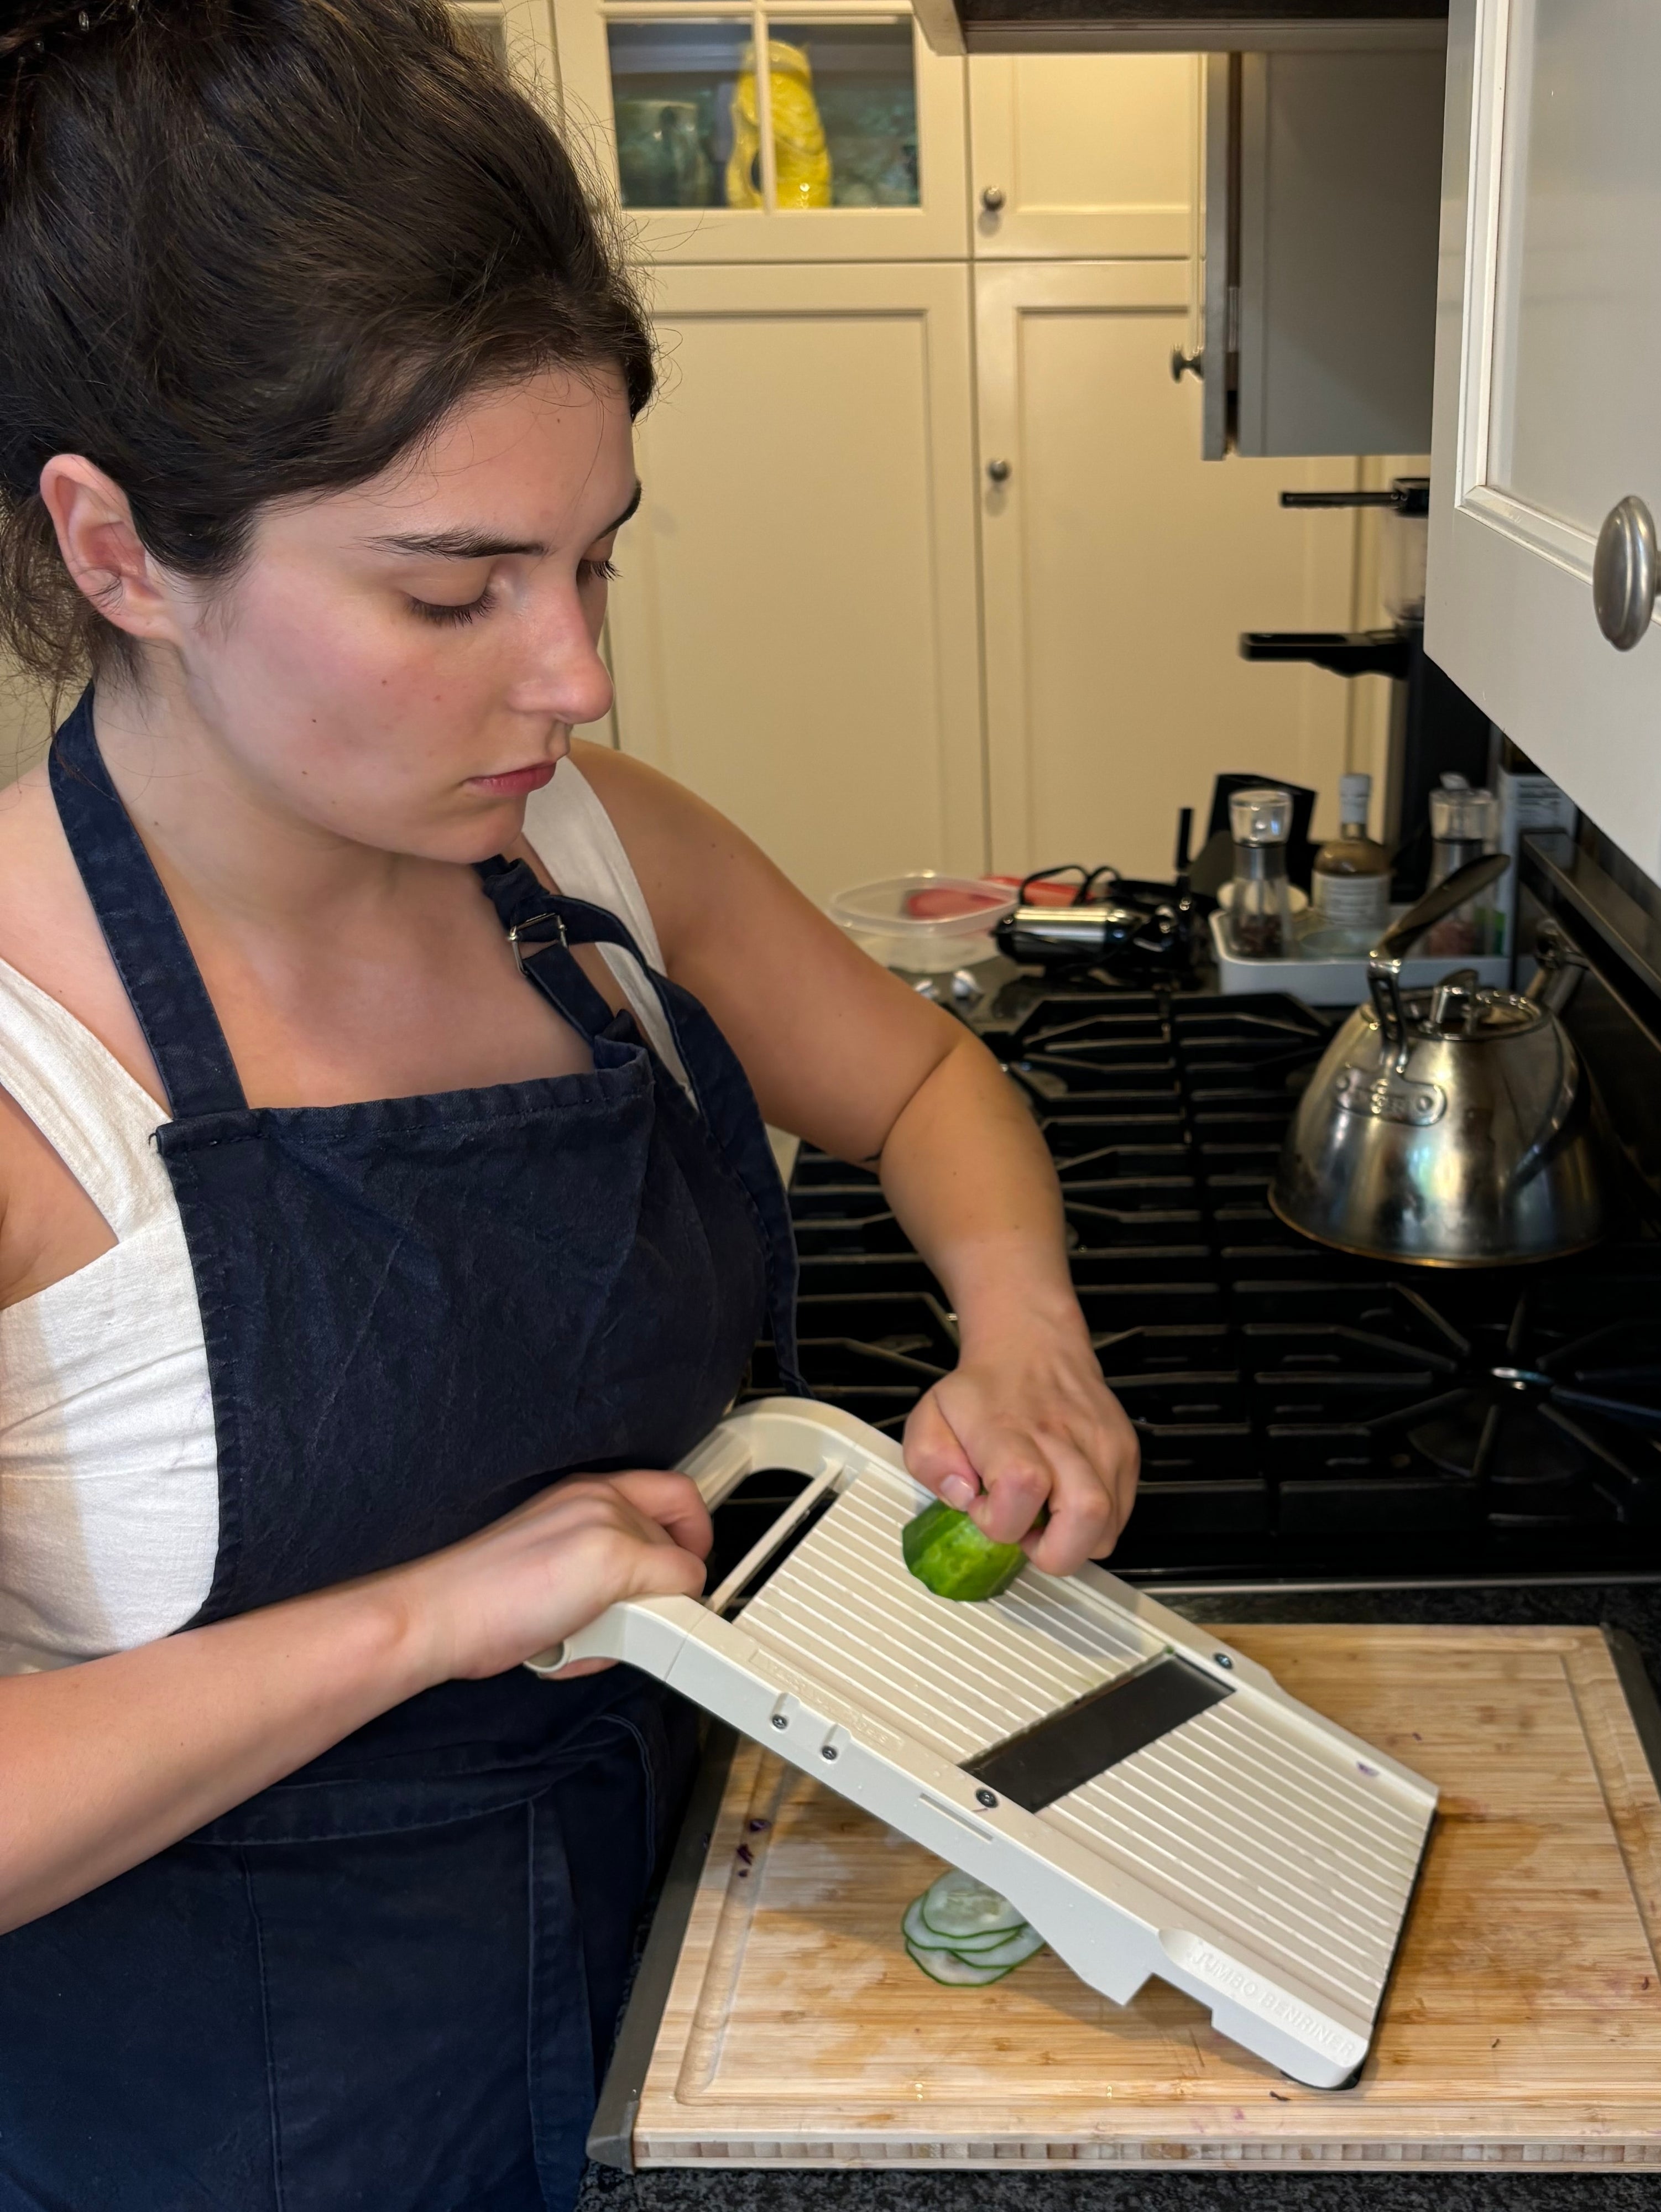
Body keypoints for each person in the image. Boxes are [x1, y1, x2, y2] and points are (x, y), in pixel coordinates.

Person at [0, 2, 1139, 2204]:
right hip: (246, 2139)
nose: (577, 672)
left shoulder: (593, 853)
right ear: (122, 552)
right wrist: (433, 1610)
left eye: (594, 554)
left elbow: (917, 1079)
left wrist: (1024, 1326)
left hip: (708, 1989)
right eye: (456, 588)